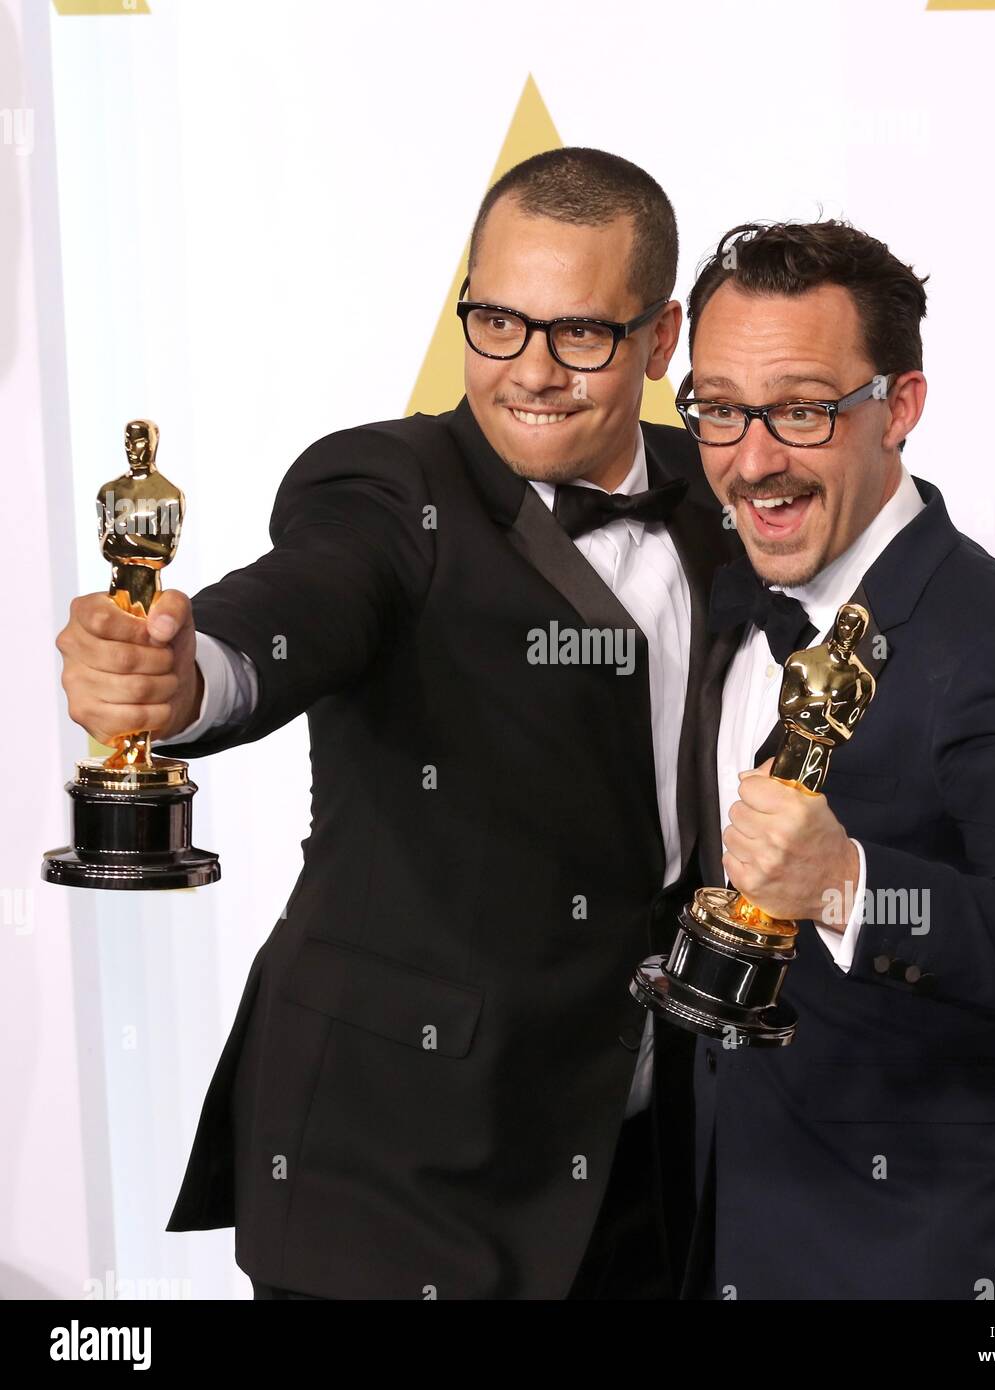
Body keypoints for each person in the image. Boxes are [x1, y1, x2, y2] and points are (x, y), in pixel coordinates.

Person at [53, 148, 737, 1299]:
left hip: (639, 1172)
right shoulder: (385, 487)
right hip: (394, 1171)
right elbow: (296, 608)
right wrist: (184, 680)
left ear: (660, 340)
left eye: (578, 334)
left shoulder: (718, 491)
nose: (529, 370)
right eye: (495, 322)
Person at [675, 219, 995, 1300]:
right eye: (719, 408)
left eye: (800, 409)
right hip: (714, 1241)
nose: (750, 459)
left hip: (921, 1263)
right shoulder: (720, 583)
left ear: (901, 407)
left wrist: (845, 884)